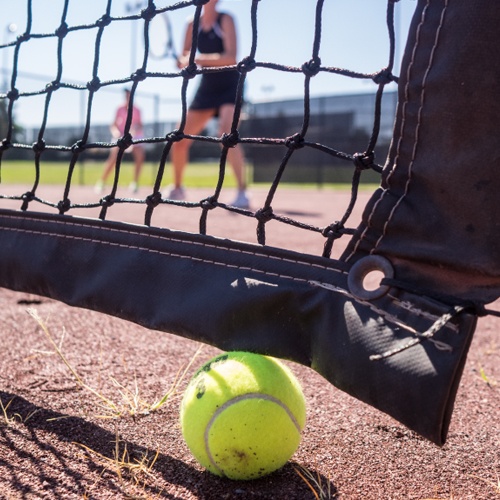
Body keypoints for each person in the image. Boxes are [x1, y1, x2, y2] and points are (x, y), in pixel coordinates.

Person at [168, 0, 249, 209]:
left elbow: (231, 57)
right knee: (178, 139)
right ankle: (177, 188)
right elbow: (184, 57)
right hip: (207, 86)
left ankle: (242, 192)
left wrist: (195, 58)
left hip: (231, 84)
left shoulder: (226, 19)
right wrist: (182, 61)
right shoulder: (191, 24)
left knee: (226, 135)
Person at [95, 89, 145, 194]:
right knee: (113, 159)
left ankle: (135, 183)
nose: (127, 97)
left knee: (140, 156)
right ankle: (101, 182)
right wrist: (116, 133)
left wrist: (134, 130)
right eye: (126, 95)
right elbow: (113, 125)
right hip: (120, 136)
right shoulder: (119, 108)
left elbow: (140, 124)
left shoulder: (137, 110)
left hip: (134, 136)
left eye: (129, 95)